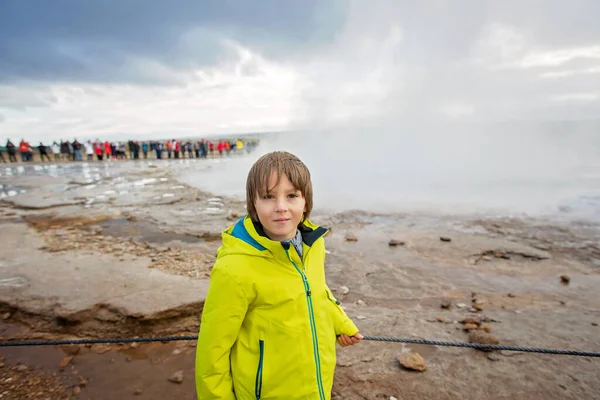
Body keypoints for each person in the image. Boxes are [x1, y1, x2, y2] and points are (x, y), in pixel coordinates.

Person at [195, 151, 363, 399]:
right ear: (253, 203)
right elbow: (212, 353)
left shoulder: (312, 246)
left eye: (292, 195)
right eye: (268, 197)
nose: (281, 207)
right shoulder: (234, 268)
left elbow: (316, 290)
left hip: (316, 387)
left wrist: (340, 323)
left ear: (306, 202)